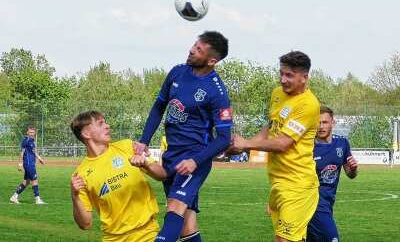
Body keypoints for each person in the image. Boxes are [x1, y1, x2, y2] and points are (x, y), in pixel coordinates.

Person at [134, 30, 233, 242]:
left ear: (212, 60)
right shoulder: (177, 72)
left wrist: (195, 161)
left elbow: (224, 138)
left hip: (194, 159)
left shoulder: (217, 92)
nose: (191, 50)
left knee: (174, 207)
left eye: (199, 50)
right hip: (171, 155)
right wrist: (144, 140)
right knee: (187, 224)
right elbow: (159, 106)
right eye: (194, 45)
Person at [229, 51, 320, 242]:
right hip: (277, 182)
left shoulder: (308, 105)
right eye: (281, 73)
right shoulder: (277, 94)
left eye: (290, 75)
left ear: (304, 77)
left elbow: (282, 143)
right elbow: (272, 127)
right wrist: (245, 146)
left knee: (283, 240)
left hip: (298, 184)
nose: (283, 80)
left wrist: (247, 144)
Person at [70, 110, 167, 242]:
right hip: (113, 238)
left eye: (105, 122)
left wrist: (147, 165)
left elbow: (162, 175)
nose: (107, 126)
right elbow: (85, 224)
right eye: (100, 124)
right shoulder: (80, 175)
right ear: (86, 133)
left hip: (148, 233)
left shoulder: (126, 146)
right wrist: (75, 197)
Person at [307, 106, 358, 242]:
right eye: (317, 123)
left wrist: (353, 168)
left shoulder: (342, 143)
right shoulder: (307, 147)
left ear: (333, 123)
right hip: (312, 201)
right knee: (332, 239)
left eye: (324, 122)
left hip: (328, 202)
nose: (320, 127)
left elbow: (350, 174)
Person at [10, 126, 46, 205]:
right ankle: (37, 199)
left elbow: (34, 152)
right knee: (35, 180)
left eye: (33, 132)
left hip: (31, 163)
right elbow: (21, 152)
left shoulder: (32, 141)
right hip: (28, 164)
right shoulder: (26, 141)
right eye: (30, 132)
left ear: (35, 133)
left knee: (26, 182)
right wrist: (20, 164)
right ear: (27, 132)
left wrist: (40, 158)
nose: (31, 134)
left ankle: (14, 196)